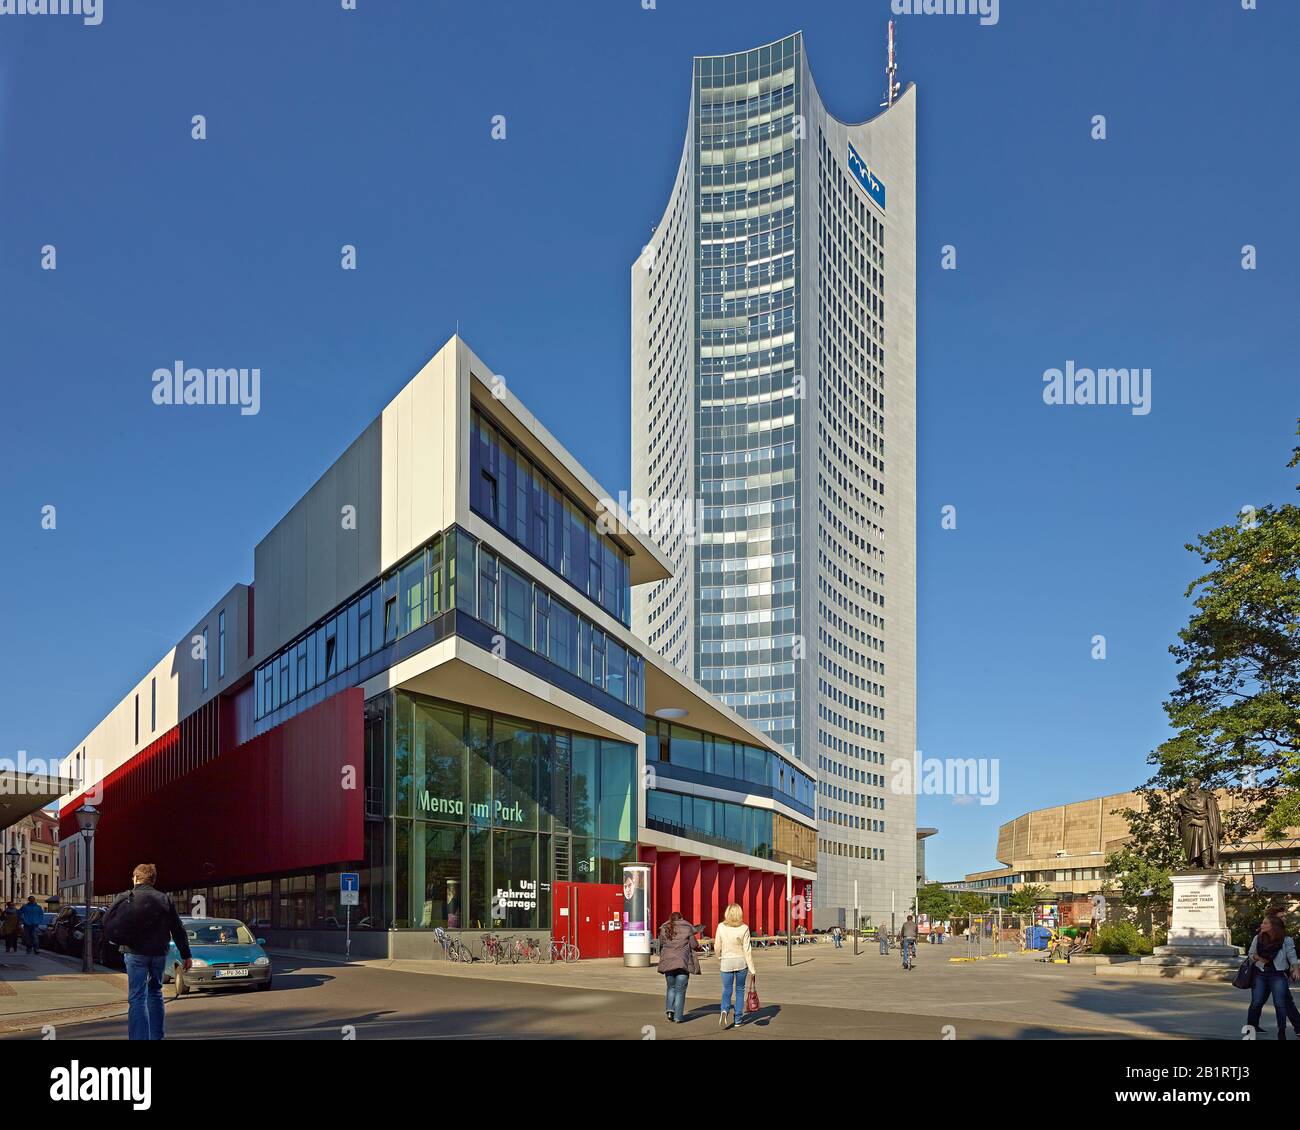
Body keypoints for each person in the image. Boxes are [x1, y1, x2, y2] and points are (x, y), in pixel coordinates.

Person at [102, 863, 193, 1040]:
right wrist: (186, 954)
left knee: (137, 997)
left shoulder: (125, 896)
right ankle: (156, 1036)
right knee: (155, 992)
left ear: (136, 878)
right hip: (158, 953)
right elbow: (177, 928)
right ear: (153, 880)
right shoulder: (164, 899)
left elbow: (106, 920)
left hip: (134, 952)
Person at [1245, 915, 1299, 1040]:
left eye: (1265, 923)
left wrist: (1296, 969)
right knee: (1256, 1002)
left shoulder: (1286, 940)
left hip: (1278, 975)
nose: (1261, 925)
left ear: (1273, 926)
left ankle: (1281, 1032)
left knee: (1280, 1004)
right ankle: (1251, 1028)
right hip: (1260, 973)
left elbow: (1292, 956)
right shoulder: (1257, 938)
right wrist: (1258, 958)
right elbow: (1251, 955)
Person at [714, 902, 756, 1030]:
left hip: (726, 962)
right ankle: (738, 1019)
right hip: (741, 962)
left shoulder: (721, 927)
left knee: (726, 990)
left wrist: (719, 957)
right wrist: (752, 968)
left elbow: (717, 946)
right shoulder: (744, 928)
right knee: (740, 991)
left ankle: (724, 1010)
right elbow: (747, 949)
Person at [656, 911, 700, 1024]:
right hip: (683, 963)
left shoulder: (664, 928)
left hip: (668, 963)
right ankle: (678, 1017)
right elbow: (694, 945)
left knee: (671, 987)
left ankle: (670, 1011)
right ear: (681, 918)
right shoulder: (687, 928)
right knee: (680, 990)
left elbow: (661, 943)